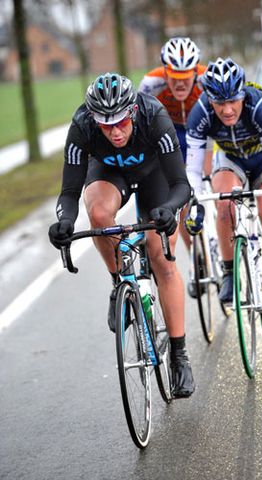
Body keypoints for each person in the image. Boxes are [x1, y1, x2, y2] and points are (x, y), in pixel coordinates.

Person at [48, 72, 195, 398]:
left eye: (120, 122)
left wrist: (170, 209)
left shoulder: (154, 116)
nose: (114, 131)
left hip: (155, 174)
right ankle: (119, 282)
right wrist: (65, 221)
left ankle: (180, 356)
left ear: (132, 112)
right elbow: (70, 192)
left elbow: (182, 186)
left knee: (162, 259)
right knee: (98, 215)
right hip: (110, 174)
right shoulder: (82, 126)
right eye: (105, 124)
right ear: (93, 119)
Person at [185, 57, 262, 316]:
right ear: (209, 99)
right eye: (219, 103)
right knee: (223, 205)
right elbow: (192, 168)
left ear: (243, 94)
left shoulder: (259, 105)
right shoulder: (200, 113)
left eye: (233, 100)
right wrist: (195, 203)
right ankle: (229, 271)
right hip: (230, 159)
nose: (227, 110)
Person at [138, 37, 212, 256]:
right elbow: (140, 123)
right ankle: (195, 255)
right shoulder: (151, 83)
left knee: (208, 181)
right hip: (169, 133)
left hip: (200, 131)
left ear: (195, 73)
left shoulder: (207, 79)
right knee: (179, 190)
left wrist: (206, 173)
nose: (180, 83)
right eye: (174, 77)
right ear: (165, 72)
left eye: (186, 77)